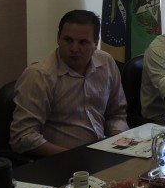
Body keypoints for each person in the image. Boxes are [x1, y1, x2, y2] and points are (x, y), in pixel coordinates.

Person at [10, 10, 128, 157]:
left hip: (103, 154)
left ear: (96, 43)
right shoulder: (39, 76)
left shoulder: (106, 63)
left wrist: (116, 140)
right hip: (60, 161)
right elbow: (23, 136)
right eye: (68, 40)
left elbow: (116, 113)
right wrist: (72, 157)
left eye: (83, 42)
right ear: (58, 38)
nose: (74, 49)